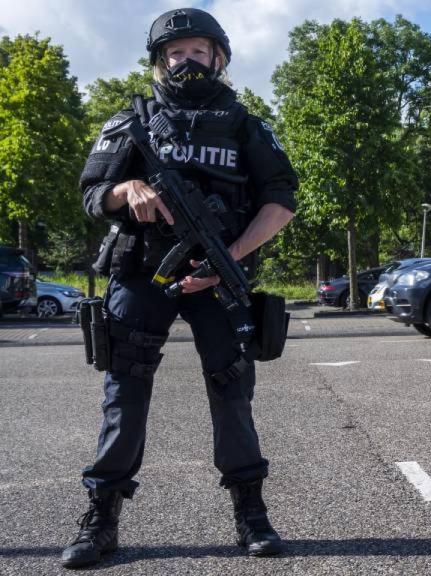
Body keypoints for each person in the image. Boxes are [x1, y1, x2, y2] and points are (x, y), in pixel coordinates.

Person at [62, 8, 297, 568]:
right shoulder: (132, 120)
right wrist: (129, 189)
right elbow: (92, 193)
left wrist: (232, 259)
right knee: (125, 392)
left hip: (219, 275)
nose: (184, 61)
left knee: (233, 392)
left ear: (219, 58)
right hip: (143, 271)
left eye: (196, 51)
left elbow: (281, 199)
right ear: (158, 61)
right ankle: (102, 518)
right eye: (174, 53)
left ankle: (251, 513)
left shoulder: (245, 124)